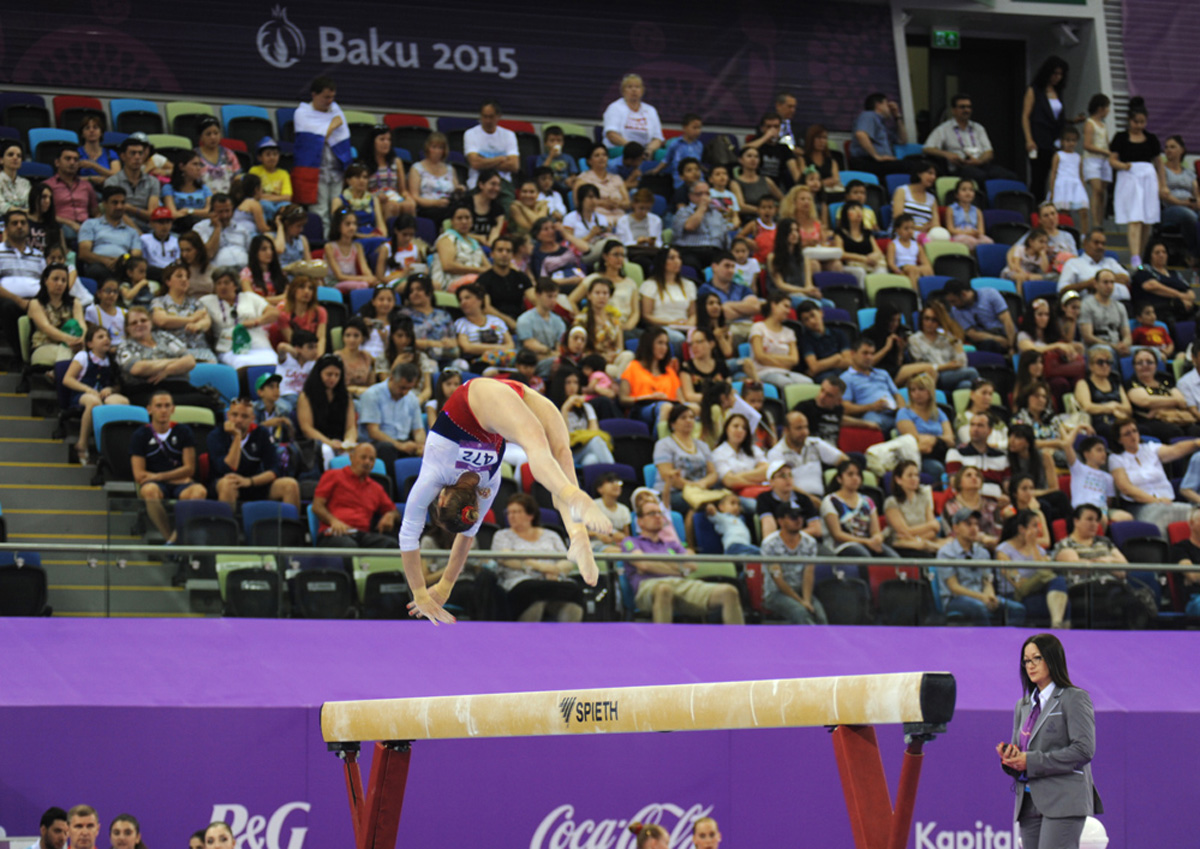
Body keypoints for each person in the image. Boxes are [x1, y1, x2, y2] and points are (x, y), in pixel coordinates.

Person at [398, 378, 615, 623]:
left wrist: (443, 586)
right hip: (499, 397)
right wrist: (422, 593)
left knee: (552, 453)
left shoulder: (487, 484)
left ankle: (576, 509)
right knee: (553, 453)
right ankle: (579, 535)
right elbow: (407, 535)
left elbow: (466, 538)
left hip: (493, 404)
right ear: (442, 501)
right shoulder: (436, 476)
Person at [998, 633, 1103, 849]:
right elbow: (1022, 752)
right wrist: (1010, 760)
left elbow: (1083, 751)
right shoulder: (1023, 705)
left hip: (1063, 800)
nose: (1031, 665)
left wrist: (1031, 761)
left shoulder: (1074, 698)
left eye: (1037, 658)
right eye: (1026, 660)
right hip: (1028, 801)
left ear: (1052, 659)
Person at [620, 497, 744, 624]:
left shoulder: (672, 544)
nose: (658, 516)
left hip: (681, 584)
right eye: (652, 513)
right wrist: (678, 569)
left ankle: (739, 641)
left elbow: (692, 565)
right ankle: (661, 642)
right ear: (640, 521)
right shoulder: (630, 541)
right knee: (664, 589)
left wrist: (658, 566)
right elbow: (644, 565)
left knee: (729, 592)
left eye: (660, 513)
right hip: (648, 586)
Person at [492, 493, 584, 622]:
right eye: (509, 512)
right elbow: (507, 559)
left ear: (530, 515)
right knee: (531, 590)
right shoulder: (502, 535)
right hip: (522, 581)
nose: (511, 516)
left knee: (575, 590)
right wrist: (542, 567)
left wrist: (555, 570)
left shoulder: (551, 535)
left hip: (553, 579)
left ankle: (570, 635)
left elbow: (567, 561)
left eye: (517, 512)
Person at [130, 390, 207, 541]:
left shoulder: (184, 431)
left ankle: (175, 538)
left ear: (173, 409)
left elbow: (190, 469)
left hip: (170, 482)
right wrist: (174, 477)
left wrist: (158, 476)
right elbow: (139, 475)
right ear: (149, 409)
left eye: (167, 406)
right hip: (158, 484)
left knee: (199, 491)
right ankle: (169, 538)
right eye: (158, 406)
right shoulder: (140, 435)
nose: (163, 410)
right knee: (149, 491)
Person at [208, 397, 300, 513]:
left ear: (252, 418)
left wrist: (250, 481)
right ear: (227, 415)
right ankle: (227, 529)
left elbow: (274, 470)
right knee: (228, 484)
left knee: (290, 485)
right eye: (234, 415)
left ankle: (291, 528)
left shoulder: (261, 433)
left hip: (254, 482)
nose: (238, 420)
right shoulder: (216, 435)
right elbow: (227, 468)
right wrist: (237, 437)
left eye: (244, 416)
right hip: (225, 483)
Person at [936, 507, 1026, 625]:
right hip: (955, 600)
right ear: (955, 528)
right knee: (980, 608)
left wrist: (990, 595)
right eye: (968, 524)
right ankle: (987, 642)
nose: (974, 528)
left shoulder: (982, 552)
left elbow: (987, 581)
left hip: (981, 596)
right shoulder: (946, 553)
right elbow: (954, 588)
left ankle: (1007, 641)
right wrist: (981, 597)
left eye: (976, 524)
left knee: (1017, 609)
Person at [1109, 417, 1199, 526]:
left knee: (1196, 515)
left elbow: (1175, 449)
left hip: (1168, 503)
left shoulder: (1151, 448)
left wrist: (1195, 443)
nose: (1133, 436)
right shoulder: (1116, 459)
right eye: (1127, 434)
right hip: (1140, 506)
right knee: (1160, 514)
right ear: (1119, 440)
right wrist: (1155, 500)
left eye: (1134, 431)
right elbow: (1126, 488)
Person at [312, 442, 401, 550]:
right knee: (349, 546)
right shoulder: (333, 476)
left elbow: (394, 511)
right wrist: (333, 521)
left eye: (371, 459)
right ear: (351, 457)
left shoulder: (376, 488)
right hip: (334, 533)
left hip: (361, 535)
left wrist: (390, 515)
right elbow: (317, 506)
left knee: (390, 544)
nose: (367, 462)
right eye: (363, 457)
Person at [293, 76, 352, 232]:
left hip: (336, 170)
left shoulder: (336, 110)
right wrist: (332, 125)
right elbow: (317, 139)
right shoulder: (302, 113)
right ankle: (322, 245)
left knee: (338, 212)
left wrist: (331, 125)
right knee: (320, 213)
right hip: (316, 171)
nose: (329, 101)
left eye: (332, 97)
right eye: (326, 97)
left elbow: (343, 139)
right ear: (314, 95)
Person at [1108, 97, 1162, 268]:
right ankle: (1134, 256)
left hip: (1148, 178)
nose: (1139, 125)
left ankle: (1142, 252)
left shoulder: (1151, 139)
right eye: (1136, 122)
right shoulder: (1121, 138)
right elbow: (1112, 160)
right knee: (1135, 218)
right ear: (1129, 121)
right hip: (1129, 176)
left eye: (1142, 122)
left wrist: (1163, 184)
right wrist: (1122, 165)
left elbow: (1159, 163)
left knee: (1147, 219)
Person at [996, 508, 1068, 628]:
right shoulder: (1003, 551)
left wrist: (1032, 546)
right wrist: (1039, 576)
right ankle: (1058, 628)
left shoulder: (1038, 549)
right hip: (1015, 594)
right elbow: (1018, 583)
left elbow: (1047, 574)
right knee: (1054, 590)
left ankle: (1057, 626)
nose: (1039, 530)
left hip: (1037, 591)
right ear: (1021, 529)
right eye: (1035, 525)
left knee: (1059, 585)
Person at [923, 93, 1018, 182]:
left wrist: (979, 161)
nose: (966, 110)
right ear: (953, 110)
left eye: (969, 107)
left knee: (1010, 176)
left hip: (980, 164)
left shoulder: (978, 128)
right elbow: (927, 148)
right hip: (961, 167)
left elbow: (989, 152)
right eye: (962, 107)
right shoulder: (944, 129)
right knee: (980, 177)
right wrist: (947, 154)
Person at [1022, 56, 1081, 200]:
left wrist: (1072, 121)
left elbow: (1056, 117)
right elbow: (1025, 116)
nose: (1057, 77)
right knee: (1039, 177)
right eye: (1055, 73)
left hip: (1054, 140)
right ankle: (1036, 210)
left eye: (1060, 74)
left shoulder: (1058, 92)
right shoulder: (1034, 90)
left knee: (1056, 175)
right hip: (1038, 139)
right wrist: (1029, 139)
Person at [199, 266, 278, 368]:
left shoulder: (249, 297)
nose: (222, 287)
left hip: (258, 344)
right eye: (218, 283)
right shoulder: (207, 301)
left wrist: (256, 322)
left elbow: (274, 313)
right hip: (229, 347)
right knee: (242, 365)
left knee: (273, 363)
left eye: (226, 283)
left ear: (235, 285)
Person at [821, 458, 898, 558]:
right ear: (839, 479)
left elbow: (875, 531)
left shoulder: (867, 501)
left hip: (867, 542)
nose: (855, 478)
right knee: (864, 557)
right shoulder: (830, 501)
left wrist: (877, 538)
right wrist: (866, 542)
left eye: (858, 475)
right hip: (843, 546)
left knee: (894, 558)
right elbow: (837, 534)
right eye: (850, 474)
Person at [358, 361, 426, 474]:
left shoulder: (412, 398)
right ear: (392, 378)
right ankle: (391, 489)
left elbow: (418, 430)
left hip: (404, 442)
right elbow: (373, 432)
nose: (405, 392)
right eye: (402, 388)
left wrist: (420, 446)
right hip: (379, 443)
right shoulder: (372, 394)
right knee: (387, 449)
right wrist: (399, 445)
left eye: (409, 388)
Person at [297, 353, 358, 466]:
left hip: (339, 441)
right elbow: (307, 428)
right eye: (329, 374)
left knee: (355, 453)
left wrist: (348, 442)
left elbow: (350, 427)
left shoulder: (346, 396)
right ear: (319, 373)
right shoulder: (306, 396)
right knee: (326, 451)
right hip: (317, 441)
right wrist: (328, 442)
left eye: (337, 375)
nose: (333, 379)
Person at [1126, 348, 1199, 442]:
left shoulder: (1165, 379)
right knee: (1174, 431)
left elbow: (1182, 401)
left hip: (1177, 417)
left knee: (1196, 431)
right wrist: (1173, 401)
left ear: (1156, 365)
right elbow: (1145, 401)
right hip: (1150, 421)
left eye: (1149, 362)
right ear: (1134, 366)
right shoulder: (1132, 382)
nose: (1145, 365)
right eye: (1140, 363)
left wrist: (1157, 407)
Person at [896, 372, 956, 480]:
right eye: (913, 390)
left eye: (921, 389)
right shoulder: (904, 413)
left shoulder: (939, 413)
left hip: (942, 451)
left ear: (930, 392)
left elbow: (950, 439)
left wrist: (933, 439)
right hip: (919, 456)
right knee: (936, 468)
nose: (916, 393)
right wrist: (939, 440)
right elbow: (916, 441)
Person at [841, 336, 906, 433]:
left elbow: (897, 395)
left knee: (913, 416)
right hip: (873, 414)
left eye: (872, 354)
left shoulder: (883, 373)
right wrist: (871, 406)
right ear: (853, 354)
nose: (869, 357)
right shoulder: (846, 378)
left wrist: (902, 409)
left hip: (894, 412)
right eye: (865, 353)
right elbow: (845, 407)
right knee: (871, 419)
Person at [909, 302, 978, 393]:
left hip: (952, 375)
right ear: (921, 320)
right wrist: (945, 366)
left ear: (939, 322)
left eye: (934, 320)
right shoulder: (915, 339)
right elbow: (919, 366)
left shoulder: (946, 338)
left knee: (966, 385)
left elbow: (962, 363)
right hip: (932, 377)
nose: (929, 323)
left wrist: (957, 344)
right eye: (926, 319)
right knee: (972, 372)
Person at [864, 303, 936, 389]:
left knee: (925, 376)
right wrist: (886, 348)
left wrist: (900, 351)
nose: (895, 324)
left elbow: (898, 365)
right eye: (892, 320)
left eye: (898, 320)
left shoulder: (899, 332)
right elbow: (868, 363)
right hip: (878, 372)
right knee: (929, 369)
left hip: (895, 372)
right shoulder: (868, 334)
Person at [77, 186, 141, 281]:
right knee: (97, 270)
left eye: (122, 203)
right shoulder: (90, 224)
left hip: (124, 267)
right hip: (98, 265)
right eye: (115, 203)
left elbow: (136, 255)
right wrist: (105, 261)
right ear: (105, 204)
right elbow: (84, 253)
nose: (119, 206)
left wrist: (122, 260)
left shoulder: (132, 231)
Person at [27, 263, 84, 364]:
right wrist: (69, 340)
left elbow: (81, 325)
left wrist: (81, 338)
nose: (60, 283)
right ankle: (65, 377)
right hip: (43, 347)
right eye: (55, 279)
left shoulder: (75, 302)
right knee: (67, 353)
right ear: (45, 281)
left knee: (86, 353)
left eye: (64, 280)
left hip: (72, 345)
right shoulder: (36, 303)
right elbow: (46, 328)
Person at [884, 458, 944, 555]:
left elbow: (934, 529)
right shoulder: (891, 502)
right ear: (898, 480)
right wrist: (928, 526)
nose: (914, 479)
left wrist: (918, 538)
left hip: (923, 541)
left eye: (916, 475)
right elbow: (903, 532)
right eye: (910, 475)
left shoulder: (924, 498)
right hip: (901, 546)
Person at [1073, 346, 1131, 443]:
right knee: (1113, 431)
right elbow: (1087, 407)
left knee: (1141, 429)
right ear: (1091, 366)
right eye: (1100, 362)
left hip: (1120, 420)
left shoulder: (1116, 382)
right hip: (1098, 422)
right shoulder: (1083, 383)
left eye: (1108, 362)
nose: (1105, 365)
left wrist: (1114, 406)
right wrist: (1111, 408)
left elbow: (1128, 408)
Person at [943, 278, 1017, 354]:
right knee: (988, 345)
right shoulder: (956, 310)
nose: (952, 305)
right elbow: (972, 334)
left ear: (963, 294)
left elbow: (1006, 320)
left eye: (953, 301)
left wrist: (1012, 346)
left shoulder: (990, 294)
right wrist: (997, 339)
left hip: (1005, 333)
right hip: (985, 339)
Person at [1131, 240, 1196, 324]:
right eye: (1157, 253)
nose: (1161, 255)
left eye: (1164, 252)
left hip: (1180, 308)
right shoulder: (1145, 270)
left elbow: (1191, 293)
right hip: (1158, 309)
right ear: (1150, 255)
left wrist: (1186, 300)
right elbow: (1151, 286)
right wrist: (1180, 296)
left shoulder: (1174, 273)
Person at [671, 182, 733, 271]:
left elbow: (725, 238)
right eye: (699, 194)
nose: (704, 197)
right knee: (691, 264)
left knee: (726, 264)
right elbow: (690, 226)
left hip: (715, 251)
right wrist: (702, 208)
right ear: (691, 196)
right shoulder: (683, 212)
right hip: (690, 250)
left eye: (707, 194)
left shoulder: (717, 214)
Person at [1057, 228, 1130, 299]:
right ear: (1085, 243)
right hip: (1091, 305)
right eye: (1096, 243)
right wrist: (1086, 284)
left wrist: (1099, 280)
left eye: (1103, 243)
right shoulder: (1073, 263)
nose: (1100, 246)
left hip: (1122, 304)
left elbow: (1126, 278)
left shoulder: (1111, 262)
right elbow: (1062, 289)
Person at [45, 146, 97, 243]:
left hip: (86, 226)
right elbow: (45, 214)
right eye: (68, 159)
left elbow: (95, 212)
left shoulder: (86, 186)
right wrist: (70, 223)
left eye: (75, 160)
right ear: (57, 162)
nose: (72, 163)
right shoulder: (47, 186)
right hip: (62, 225)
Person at [849, 92, 909, 176]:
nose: (889, 108)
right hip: (867, 161)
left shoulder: (883, 126)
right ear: (878, 105)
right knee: (912, 167)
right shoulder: (868, 115)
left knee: (915, 167)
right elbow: (861, 134)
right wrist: (877, 156)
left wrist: (897, 116)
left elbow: (903, 140)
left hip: (882, 163)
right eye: (886, 104)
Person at [464, 99, 519, 191]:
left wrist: (483, 161)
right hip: (478, 182)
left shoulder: (509, 135)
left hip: (503, 184)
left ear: (498, 116)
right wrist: (500, 159)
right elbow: (475, 163)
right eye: (485, 117)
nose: (488, 121)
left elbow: (514, 166)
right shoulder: (470, 134)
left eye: (491, 117)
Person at [603, 74, 664, 156]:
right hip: (621, 147)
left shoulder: (651, 110)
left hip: (645, 149)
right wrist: (633, 149)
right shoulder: (615, 108)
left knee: (663, 155)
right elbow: (611, 135)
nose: (634, 90)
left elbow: (658, 138)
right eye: (630, 87)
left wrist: (649, 150)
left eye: (637, 87)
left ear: (642, 91)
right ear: (623, 91)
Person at [408, 132, 460, 223]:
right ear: (428, 148)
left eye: (440, 148)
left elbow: (455, 192)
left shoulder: (450, 170)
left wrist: (460, 190)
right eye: (434, 147)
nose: (437, 151)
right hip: (427, 207)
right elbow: (414, 196)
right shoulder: (417, 168)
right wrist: (435, 203)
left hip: (448, 206)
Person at [796, 300, 852, 384]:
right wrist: (837, 358)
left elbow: (849, 362)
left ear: (821, 313)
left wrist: (822, 365)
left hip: (843, 372)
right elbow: (814, 367)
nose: (811, 321)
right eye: (806, 319)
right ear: (803, 323)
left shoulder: (839, 334)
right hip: (823, 376)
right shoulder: (805, 340)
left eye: (813, 315)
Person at [1079, 268, 1130, 355]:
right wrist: (1112, 346)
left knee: (1144, 352)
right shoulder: (1086, 304)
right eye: (1105, 282)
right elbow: (1087, 337)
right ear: (1096, 284)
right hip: (1096, 347)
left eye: (1112, 282)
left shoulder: (1120, 306)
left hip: (1116, 344)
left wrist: (1124, 345)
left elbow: (1127, 335)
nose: (1109, 286)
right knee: (1107, 351)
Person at [1048, 128, 1091, 233]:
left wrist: (1082, 189)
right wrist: (1052, 190)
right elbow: (1053, 172)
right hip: (1062, 185)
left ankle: (1084, 236)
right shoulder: (1059, 155)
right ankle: (1063, 232)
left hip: (1076, 185)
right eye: (1068, 140)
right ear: (1062, 141)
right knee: (1064, 213)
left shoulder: (1078, 157)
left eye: (1073, 140)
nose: (1071, 143)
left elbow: (1081, 174)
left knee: (1083, 210)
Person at [1083, 94, 1112, 232]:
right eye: (1107, 107)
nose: (1108, 110)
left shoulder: (1103, 125)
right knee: (1097, 190)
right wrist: (1104, 151)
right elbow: (1087, 145)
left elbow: (1107, 143)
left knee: (1102, 193)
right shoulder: (1090, 123)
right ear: (1100, 108)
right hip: (1092, 159)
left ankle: (1100, 222)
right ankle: (1095, 223)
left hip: (1104, 160)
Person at [834, 200, 885, 278]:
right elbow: (841, 253)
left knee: (881, 269)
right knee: (860, 272)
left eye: (860, 209)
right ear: (845, 214)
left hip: (868, 263)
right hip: (850, 265)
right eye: (853, 209)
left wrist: (874, 256)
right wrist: (863, 258)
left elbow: (878, 251)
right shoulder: (840, 233)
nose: (858, 211)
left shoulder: (867, 232)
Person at [890, 161, 939, 237]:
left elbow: (936, 224)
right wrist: (919, 228)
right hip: (904, 231)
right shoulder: (902, 191)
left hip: (925, 234)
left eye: (935, 174)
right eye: (930, 173)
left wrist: (926, 229)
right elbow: (898, 217)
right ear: (919, 173)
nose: (933, 177)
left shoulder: (932, 198)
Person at [943, 178, 993, 251]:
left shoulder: (977, 211)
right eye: (964, 190)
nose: (968, 192)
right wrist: (966, 233)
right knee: (970, 242)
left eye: (971, 190)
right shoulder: (951, 209)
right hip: (958, 234)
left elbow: (981, 231)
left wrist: (975, 233)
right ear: (957, 195)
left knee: (989, 242)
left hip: (975, 235)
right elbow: (950, 229)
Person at [1168, 509, 1200, 616]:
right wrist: (1194, 577)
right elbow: (1192, 576)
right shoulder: (1180, 548)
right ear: (1191, 523)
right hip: (1195, 598)